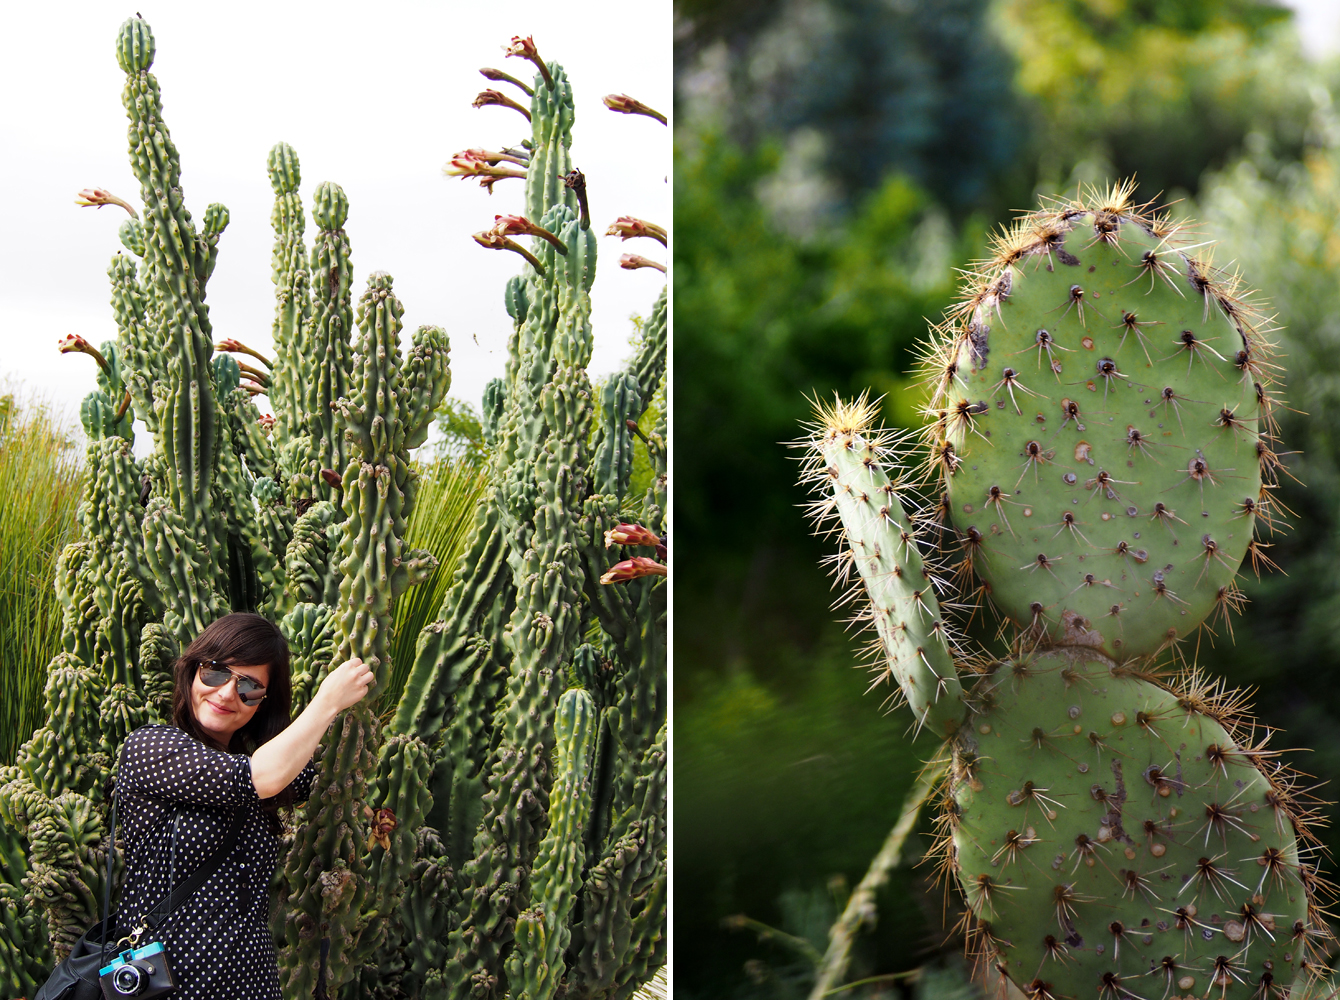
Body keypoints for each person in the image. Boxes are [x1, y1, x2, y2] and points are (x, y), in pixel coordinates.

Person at [114, 612, 372, 1000]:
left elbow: (319, 774)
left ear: (262, 704)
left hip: (250, 982)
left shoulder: (261, 763)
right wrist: (327, 701)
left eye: (249, 686)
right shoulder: (152, 747)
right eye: (215, 672)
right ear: (193, 671)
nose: (225, 694)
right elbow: (261, 777)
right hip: (167, 983)